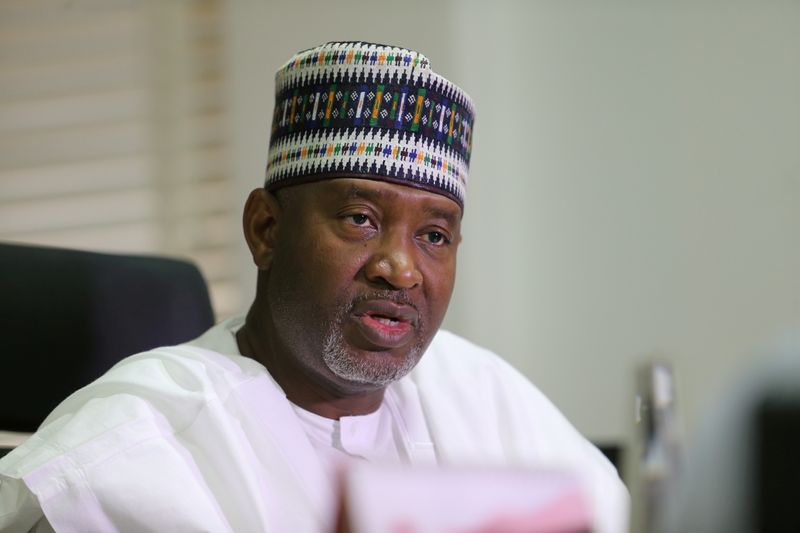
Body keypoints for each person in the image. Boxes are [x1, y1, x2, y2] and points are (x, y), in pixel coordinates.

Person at [0, 41, 628, 532]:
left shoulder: (481, 395)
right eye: (361, 219)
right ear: (266, 229)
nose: (400, 269)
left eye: (434, 235)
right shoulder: (133, 448)